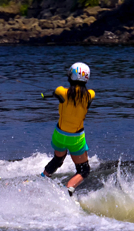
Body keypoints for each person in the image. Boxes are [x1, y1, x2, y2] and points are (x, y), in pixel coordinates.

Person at [41, 62, 95, 196]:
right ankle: (68, 189)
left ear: (70, 76)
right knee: (83, 170)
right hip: (76, 139)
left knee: (58, 160)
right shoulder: (90, 95)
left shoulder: (61, 92)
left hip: (59, 135)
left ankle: (41, 179)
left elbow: (58, 91)